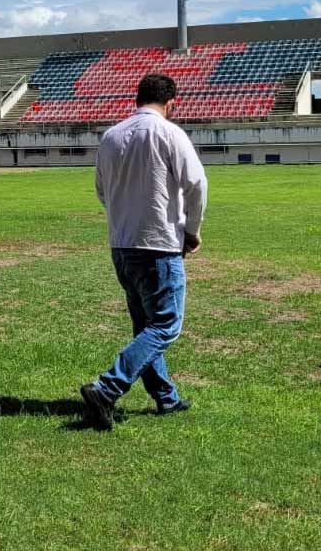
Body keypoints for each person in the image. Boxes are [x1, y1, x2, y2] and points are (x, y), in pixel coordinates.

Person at [80, 73, 207, 431]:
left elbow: (102, 191)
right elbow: (196, 184)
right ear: (171, 103)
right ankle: (106, 389)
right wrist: (191, 231)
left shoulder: (111, 136)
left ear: (137, 98)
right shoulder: (169, 133)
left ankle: (166, 398)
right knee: (165, 325)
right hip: (158, 244)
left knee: (145, 326)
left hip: (122, 244)